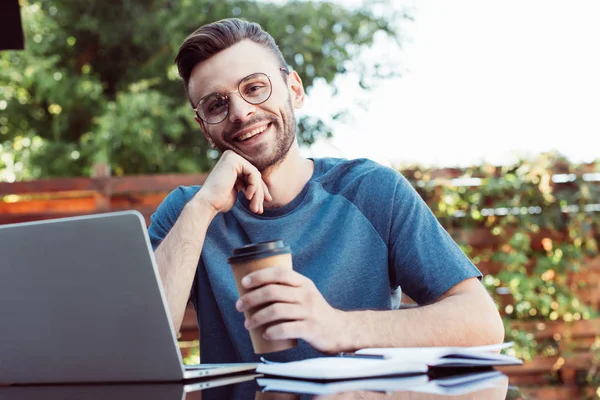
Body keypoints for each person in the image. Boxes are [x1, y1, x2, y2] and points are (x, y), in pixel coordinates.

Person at [148, 18, 504, 363]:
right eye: (216, 105)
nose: (240, 112)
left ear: (295, 90)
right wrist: (203, 207)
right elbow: (143, 343)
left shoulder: (372, 190)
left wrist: (337, 326)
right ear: (204, 128)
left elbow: (481, 323)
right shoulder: (187, 212)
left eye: (255, 87)